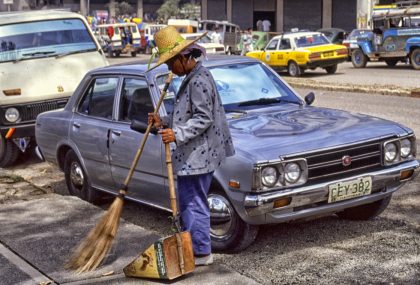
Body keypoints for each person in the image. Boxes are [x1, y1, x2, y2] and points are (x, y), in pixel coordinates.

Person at [148, 26, 235, 266]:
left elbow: (203, 118)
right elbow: (186, 114)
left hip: (199, 155)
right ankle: (195, 247)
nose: (170, 70)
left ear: (183, 58)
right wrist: (163, 122)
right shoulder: (192, 78)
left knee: (193, 203)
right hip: (195, 153)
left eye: (170, 64)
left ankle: (200, 252)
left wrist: (175, 134)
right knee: (191, 201)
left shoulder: (198, 81)